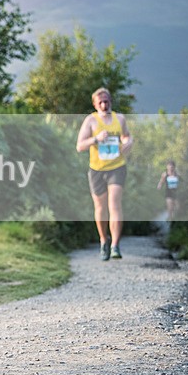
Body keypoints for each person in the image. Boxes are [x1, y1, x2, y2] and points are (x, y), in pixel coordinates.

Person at [76, 88, 133, 260]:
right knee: (100, 208)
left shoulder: (119, 119)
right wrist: (96, 138)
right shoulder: (90, 121)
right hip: (97, 169)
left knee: (114, 204)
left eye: (106, 101)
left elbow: (127, 136)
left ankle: (115, 245)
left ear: (110, 101)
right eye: (100, 102)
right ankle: (103, 240)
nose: (104, 104)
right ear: (95, 104)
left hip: (117, 166)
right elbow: (79, 146)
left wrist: (128, 142)